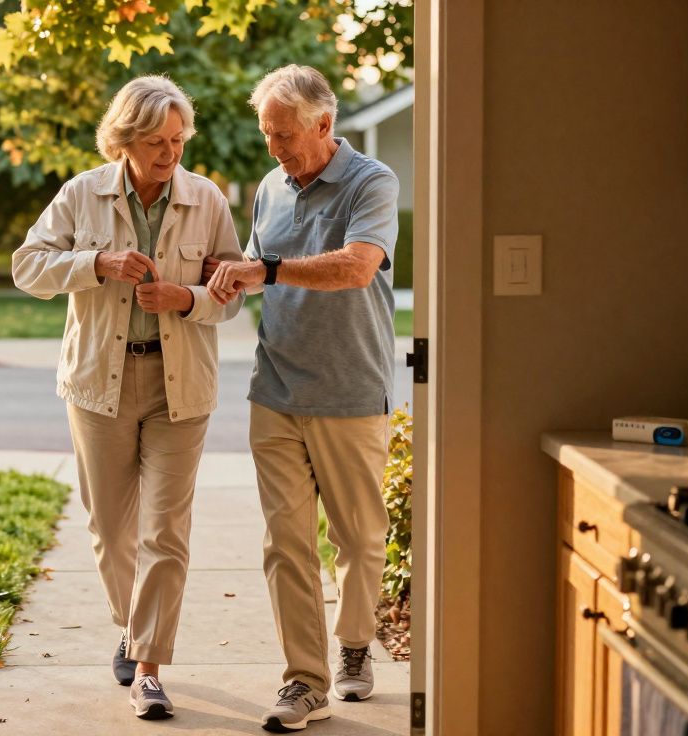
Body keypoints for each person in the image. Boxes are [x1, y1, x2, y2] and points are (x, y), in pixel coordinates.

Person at [12, 75, 243, 721]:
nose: (169, 154)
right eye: (155, 142)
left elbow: (234, 293)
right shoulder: (82, 194)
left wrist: (188, 298)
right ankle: (133, 623)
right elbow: (26, 266)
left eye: (176, 140)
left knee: (165, 531)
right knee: (112, 531)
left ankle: (148, 667)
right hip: (98, 385)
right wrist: (96, 265)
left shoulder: (207, 200)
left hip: (181, 385)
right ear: (124, 139)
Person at [205, 64, 400, 733]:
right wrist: (222, 283)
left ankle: (353, 647)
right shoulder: (269, 188)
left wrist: (269, 270)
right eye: (267, 134)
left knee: (357, 538)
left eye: (284, 134)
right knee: (286, 543)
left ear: (323, 124)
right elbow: (261, 272)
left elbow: (357, 266)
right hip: (276, 387)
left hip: (349, 388)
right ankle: (304, 680)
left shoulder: (371, 182)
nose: (274, 148)